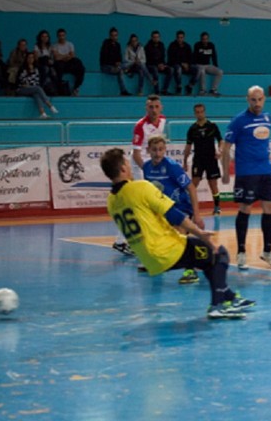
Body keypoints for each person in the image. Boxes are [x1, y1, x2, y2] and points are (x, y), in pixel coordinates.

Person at [100, 147, 255, 319]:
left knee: (206, 261)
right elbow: (174, 214)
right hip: (166, 250)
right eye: (128, 164)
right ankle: (217, 306)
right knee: (219, 253)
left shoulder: (111, 201)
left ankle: (229, 297)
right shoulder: (140, 188)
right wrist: (199, 232)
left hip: (147, 258)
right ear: (123, 168)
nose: (130, 167)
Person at [221, 86, 271, 270]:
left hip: (265, 171)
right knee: (245, 208)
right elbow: (225, 148)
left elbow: (265, 143)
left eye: (260, 99)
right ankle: (241, 253)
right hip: (247, 172)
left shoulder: (267, 118)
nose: (257, 103)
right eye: (253, 100)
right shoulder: (239, 121)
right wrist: (225, 172)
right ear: (248, 100)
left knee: (269, 208)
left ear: (264, 99)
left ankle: (268, 251)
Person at [143, 136, 204, 285]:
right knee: (153, 233)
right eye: (154, 150)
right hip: (163, 207)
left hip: (181, 206)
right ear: (148, 150)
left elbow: (191, 188)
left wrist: (196, 214)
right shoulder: (146, 167)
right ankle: (158, 263)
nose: (158, 153)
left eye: (161, 150)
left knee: (180, 234)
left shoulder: (171, 166)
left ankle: (191, 270)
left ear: (165, 150)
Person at [112, 94, 168, 256]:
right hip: (139, 166)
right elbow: (136, 154)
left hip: (152, 164)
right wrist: (149, 171)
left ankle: (125, 240)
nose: (154, 110)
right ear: (146, 108)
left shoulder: (163, 120)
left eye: (157, 106)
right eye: (151, 107)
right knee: (141, 204)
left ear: (161, 108)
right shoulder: (140, 126)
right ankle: (123, 241)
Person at [184, 103, 223, 216]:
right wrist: (185, 161)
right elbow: (188, 146)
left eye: (201, 111)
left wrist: (220, 150)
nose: (200, 114)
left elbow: (221, 140)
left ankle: (216, 207)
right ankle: (189, 207)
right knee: (193, 184)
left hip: (211, 158)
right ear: (195, 113)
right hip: (198, 159)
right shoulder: (192, 129)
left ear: (204, 112)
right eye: (197, 112)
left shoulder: (212, 126)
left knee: (213, 184)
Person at [17, 51, 58, 119]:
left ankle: (42, 113)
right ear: (26, 59)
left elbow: (38, 80)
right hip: (23, 89)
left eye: (32, 58)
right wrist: (26, 84)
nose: (31, 59)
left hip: (33, 88)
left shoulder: (37, 68)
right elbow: (21, 80)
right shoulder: (22, 68)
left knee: (37, 93)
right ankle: (50, 105)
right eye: (29, 58)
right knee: (37, 88)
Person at [52, 28, 86, 96]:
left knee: (79, 65)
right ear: (57, 36)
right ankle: (59, 88)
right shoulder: (55, 46)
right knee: (58, 65)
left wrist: (62, 56)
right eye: (60, 35)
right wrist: (66, 56)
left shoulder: (70, 44)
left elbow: (72, 55)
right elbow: (56, 57)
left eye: (63, 35)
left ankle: (76, 87)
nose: (61, 37)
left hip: (69, 63)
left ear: (65, 36)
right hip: (60, 65)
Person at [100, 27, 130, 96]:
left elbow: (119, 57)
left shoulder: (118, 45)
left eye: (115, 35)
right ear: (110, 36)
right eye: (112, 35)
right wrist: (114, 63)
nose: (114, 37)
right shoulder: (106, 44)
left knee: (127, 63)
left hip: (116, 66)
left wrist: (118, 62)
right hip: (106, 66)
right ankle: (123, 90)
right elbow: (105, 57)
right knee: (120, 70)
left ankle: (124, 70)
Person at [193, 32, 223, 97]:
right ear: (201, 39)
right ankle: (203, 90)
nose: (205, 40)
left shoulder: (211, 45)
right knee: (202, 71)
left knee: (220, 72)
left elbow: (214, 55)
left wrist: (215, 65)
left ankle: (213, 89)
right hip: (199, 64)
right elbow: (194, 56)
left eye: (206, 39)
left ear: (208, 39)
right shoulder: (197, 45)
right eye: (203, 39)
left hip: (207, 65)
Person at [166, 30, 195, 95]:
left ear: (184, 38)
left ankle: (190, 85)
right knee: (178, 69)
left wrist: (188, 64)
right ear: (176, 38)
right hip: (175, 64)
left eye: (181, 37)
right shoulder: (172, 45)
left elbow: (191, 58)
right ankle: (179, 86)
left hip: (186, 65)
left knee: (198, 69)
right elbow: (171, 58)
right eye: (178, 37)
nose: (180, 39)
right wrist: (181, 63)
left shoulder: (187, 46)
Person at [34, 29, 58, 96]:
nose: (45, 38)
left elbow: (54, 57)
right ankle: (41, 87)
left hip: (49, 64)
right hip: (41, 64)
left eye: (46, 36)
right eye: (43, 36)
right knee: (45, 68)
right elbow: (36, 58)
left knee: (54, 72)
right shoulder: (37, 46)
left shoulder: (50, 46)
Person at [144, 30, 167, 96]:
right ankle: (157, 91)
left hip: (160, 64)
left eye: (157, 37)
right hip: (151, 65)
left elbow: (163, 56)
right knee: (155, 69)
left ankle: (165, 89)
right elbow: (148, 59)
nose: (156, 38)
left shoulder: (161, 45)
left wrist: (163, 64)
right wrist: (158, 65)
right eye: (154, 37)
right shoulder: (148, 47)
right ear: (152, 38)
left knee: (171, 70)